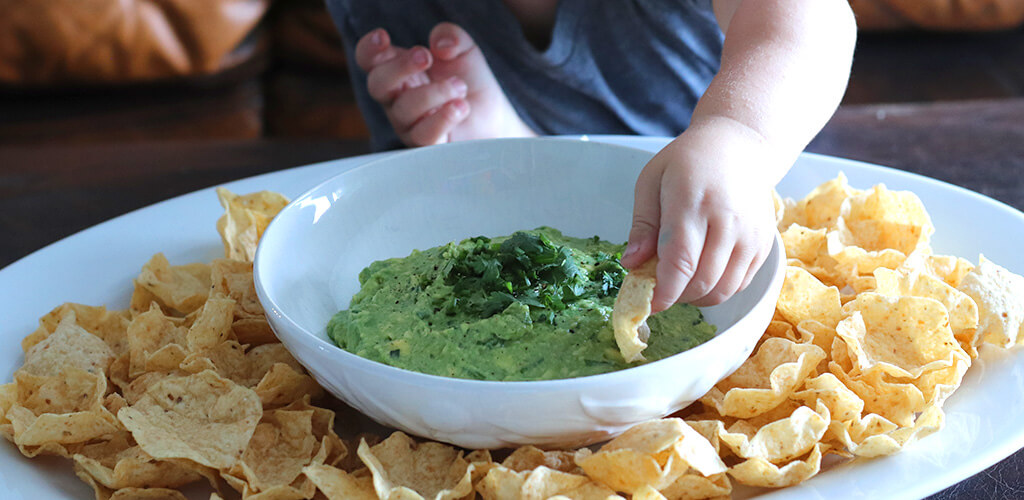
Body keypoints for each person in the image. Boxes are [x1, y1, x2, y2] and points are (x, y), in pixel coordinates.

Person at [325, 0, 856, 311]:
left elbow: (810, 23)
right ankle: (508, 146)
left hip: (751, 191)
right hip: (501, 206)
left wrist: (740, 137)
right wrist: (468, 151)